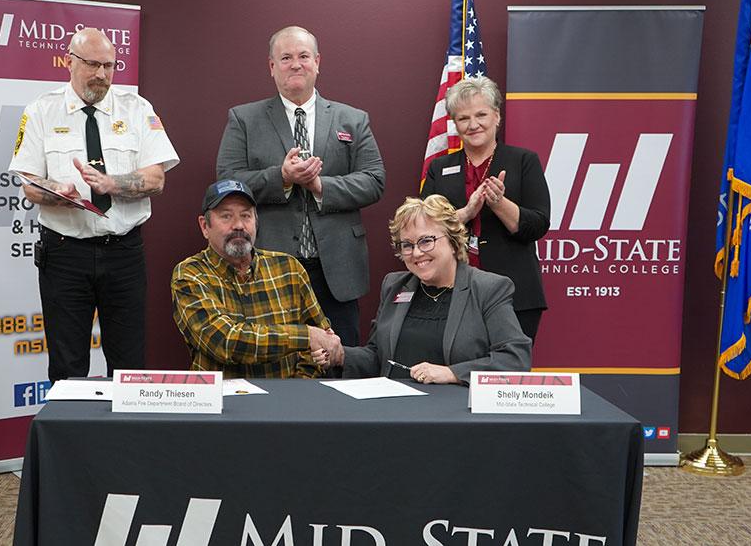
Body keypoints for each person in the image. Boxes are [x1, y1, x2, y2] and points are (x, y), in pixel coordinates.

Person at [9, 28, 179, 381]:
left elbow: (157, 179)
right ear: (69, 61)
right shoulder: (41, 111)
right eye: (92, 64)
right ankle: (69, 437)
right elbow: (29, 184)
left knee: (129, 364)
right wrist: (57, 190)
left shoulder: (138, 109)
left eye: (109, 65)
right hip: (65, 255)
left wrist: (112, 184)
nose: (102, 74)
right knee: (67, 364)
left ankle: (126, 438)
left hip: (124, 253)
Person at [215, 25, 385, 354]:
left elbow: (374, 180)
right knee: (274, 363)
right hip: (270, 267)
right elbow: (227, 179)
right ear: (272, 66)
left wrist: (320, 185)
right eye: (286, 57)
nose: (296, 64)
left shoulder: (353, 119)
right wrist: (281, 176)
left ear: (317, 62)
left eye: (304, 56)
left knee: (338, 360)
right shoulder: (244, 119)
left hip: (336, 271)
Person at [324, 195, 531, 384]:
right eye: (407, 245)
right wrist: (340, 354)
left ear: (452, 241)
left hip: (455, 414)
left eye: (426, 241)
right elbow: (379, 357)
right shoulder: (394, 286)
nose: (416, 253)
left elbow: (515, 359)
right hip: (393, 411)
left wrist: (452, 373)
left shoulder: (488, 289)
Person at [420, 76, 550, 341]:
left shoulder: (524, 161)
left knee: (508, 369)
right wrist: (466, 213)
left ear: (497, 116)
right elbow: (423, 229)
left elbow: (538, 224)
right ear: (455, 124)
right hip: (451, 289)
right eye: (463, 118)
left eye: (481, 114)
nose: (473, 124)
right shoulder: (439, 168)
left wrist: (499, 204)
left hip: (515, 291)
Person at [171, 180, 341, 379]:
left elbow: (322, 343)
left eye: (246, 215)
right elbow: (225, 342)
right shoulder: (190, 274)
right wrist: (305, 336)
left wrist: (297, 388)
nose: (239, 225)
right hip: (223, 402)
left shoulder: (289, 268)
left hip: (289, 400)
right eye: (226, 216)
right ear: (204, 226)